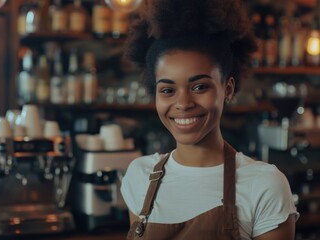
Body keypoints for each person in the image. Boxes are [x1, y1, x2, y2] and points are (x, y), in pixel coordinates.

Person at [120, 0, 299, 239]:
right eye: (167, 90)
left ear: (228, 89)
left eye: (199, 86)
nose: (183, 103)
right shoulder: (139, 175)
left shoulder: (264, 185)